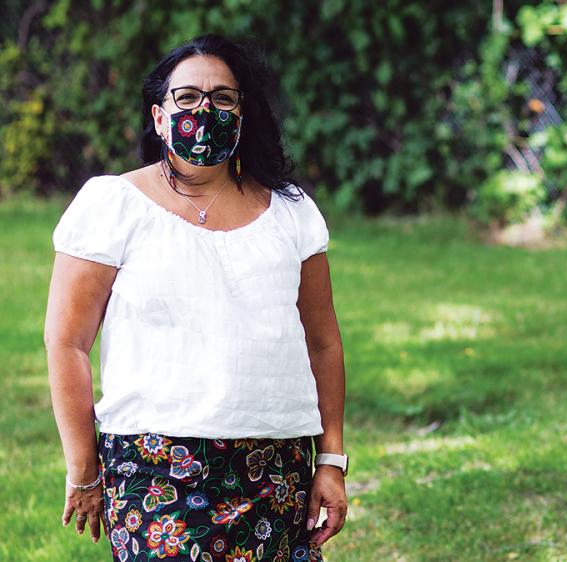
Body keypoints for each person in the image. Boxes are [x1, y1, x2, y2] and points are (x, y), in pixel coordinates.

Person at [43, 34, 348, 561]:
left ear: (243, 114)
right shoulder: (112, 206)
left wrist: (332, 460)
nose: (205, 110)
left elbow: (323, 343)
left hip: (276, 469)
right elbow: (67, 341)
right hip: (155, 466)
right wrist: (84, 470)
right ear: (160, 117)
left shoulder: (292, 212)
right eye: (187, 98)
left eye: (223, 98)